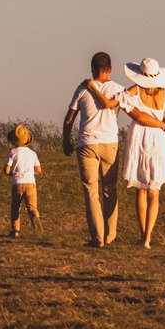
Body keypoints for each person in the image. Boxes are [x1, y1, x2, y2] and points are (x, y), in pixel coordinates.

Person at [84, 57, 165, 248]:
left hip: (140, 139)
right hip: (159, 140)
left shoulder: (134, 91)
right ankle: (148, 238)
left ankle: (143, 235)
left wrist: (92, 88)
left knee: (141, 191)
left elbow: (110, 104)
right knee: (154, 192)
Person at [62, 52, 125, 247]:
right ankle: (110, 234)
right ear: (110, 69)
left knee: (91, 191)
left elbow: (69, 118)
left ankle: (97, 238)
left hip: (87, 143)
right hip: (110, 144)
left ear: (91, 69)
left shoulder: (82, 89)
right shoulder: (118, 89)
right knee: (110, 190)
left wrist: (66, 140)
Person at [4, 124, 41, 237]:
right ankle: (34, 216)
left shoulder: (13, 153)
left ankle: (15, 231)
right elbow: (38, 170)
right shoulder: (32, 153)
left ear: (13, 141)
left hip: (17, 184)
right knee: (31, 207)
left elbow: (6, 170)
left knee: (15, 207)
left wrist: (13, 174)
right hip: (30, 183)